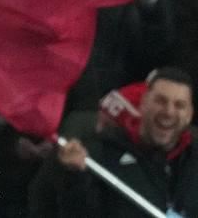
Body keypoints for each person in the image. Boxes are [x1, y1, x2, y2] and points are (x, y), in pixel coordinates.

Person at [33, 67, 197, 217]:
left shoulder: (193, 160)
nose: (169, 111)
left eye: (179, 105)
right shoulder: (97, 156)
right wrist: (74, 179)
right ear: (143, 103)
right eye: (160, 101)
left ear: (189, 114)